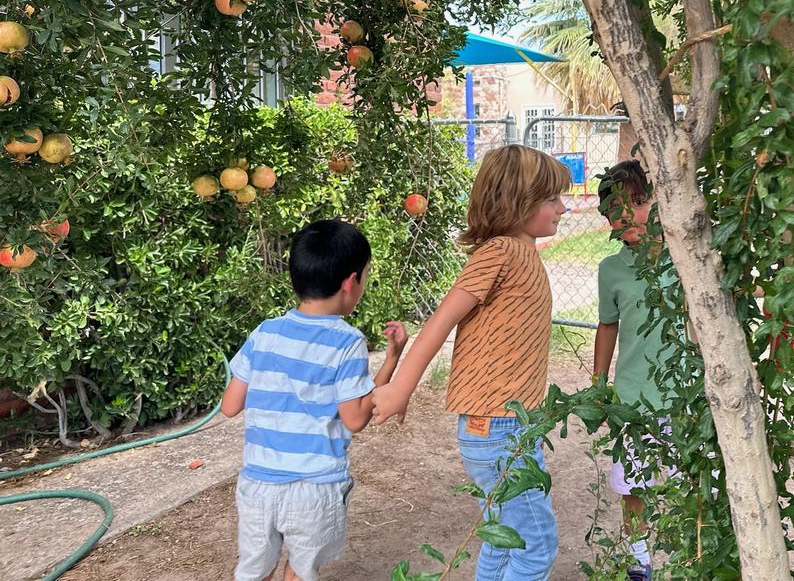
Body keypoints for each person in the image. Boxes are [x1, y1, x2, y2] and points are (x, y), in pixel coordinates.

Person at [371, 144, 570, 581]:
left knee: (501, 539)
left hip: (509, 425)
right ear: (518, 202)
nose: (563, 207)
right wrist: (400, 388)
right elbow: (440, 321)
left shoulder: (520, 251)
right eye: (552, 198)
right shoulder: (500, 252)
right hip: (497, 426)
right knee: (535, 547)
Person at [220, 218, 408, 581]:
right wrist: (393, 359)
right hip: (314, 488)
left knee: (253, 570)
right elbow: (356, 416)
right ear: (351, 282)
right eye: (365, 276)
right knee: (301, 570)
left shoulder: (265, 332)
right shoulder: (347, 341)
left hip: (257, 485)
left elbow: (229, 406)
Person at [593, 160, 673, 581]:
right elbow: (607, 326)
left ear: (658, 202)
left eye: (638, 203)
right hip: (632, 398)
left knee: (691, 484)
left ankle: (686, 556)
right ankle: (639, 563)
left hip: (686, 397)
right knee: (633, 486)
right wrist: (597, 386)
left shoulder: (685, 258)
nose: (627, 216)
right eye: (615, 209)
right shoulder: (612, 270)